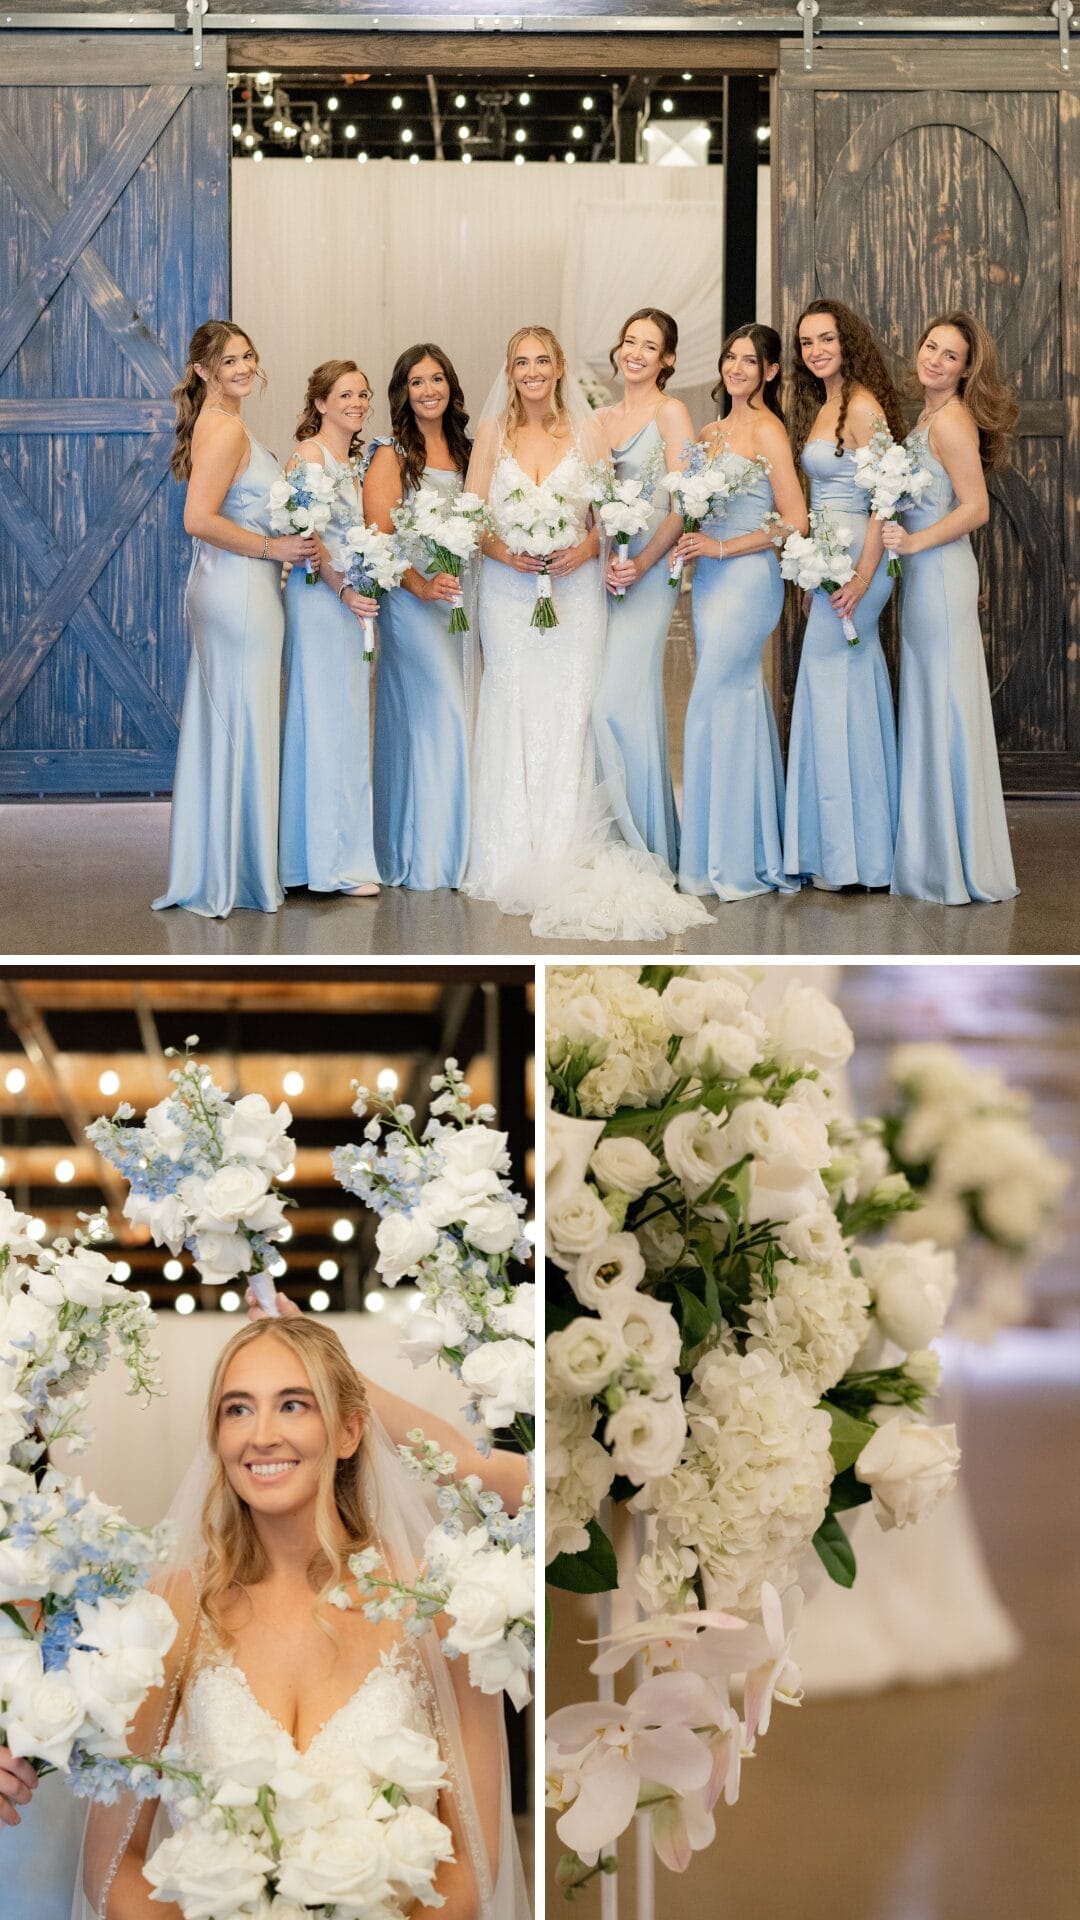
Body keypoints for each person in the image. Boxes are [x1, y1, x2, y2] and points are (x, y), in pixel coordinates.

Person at [74, 1317, 527, 1918]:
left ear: (348, 1431)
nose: (261, 1435)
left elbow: (473, 1864)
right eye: (237, 1410)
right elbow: (110, 1864)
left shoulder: (439, 1605)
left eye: (293, 1405)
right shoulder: (173, 1608)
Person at [462, 324, 707, 941]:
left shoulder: (589, 430)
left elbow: (609, 514)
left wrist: (585, 547)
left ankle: (570, 837)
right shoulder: (491, 434)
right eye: (522, 362)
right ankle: (511, 845)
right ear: (510, 370)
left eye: (543, 360)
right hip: (507, 589)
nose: (533, 371)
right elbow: (471, 517)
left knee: (574, 706)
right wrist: (506, 551)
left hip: (575, 586)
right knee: (513, 699)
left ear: (560, 366)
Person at [153, 322, 316, 919]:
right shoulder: (222, 428)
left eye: (248, 356)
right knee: (242, 722)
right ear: (204, 370)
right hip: (240, 592)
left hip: (230, 585)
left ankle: (222, 864)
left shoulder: (224, 422)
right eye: (229, 361)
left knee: (231, 721)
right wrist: (273, 549)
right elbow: (197, 518)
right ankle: (237, 875)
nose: (244, 367)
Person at [883, 310, 1018, 904]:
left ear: (966, 371)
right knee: (934, 703)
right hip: (927, 577)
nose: (934, 359)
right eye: (930, 346)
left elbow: (976, 507)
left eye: (950, 355)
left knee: (945, 705)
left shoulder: (953, 420)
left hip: (939, 575)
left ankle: (951, 865)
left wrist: (912, 540)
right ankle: (938, 855)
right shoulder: (928, 415)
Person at [676, 324, 808, 900]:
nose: (736, 368)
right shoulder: (706, 433)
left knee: (711, 698)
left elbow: (794, 520)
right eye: (730, 357)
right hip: (709, 580)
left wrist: (726, 546)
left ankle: (727, 858)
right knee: (733, 702)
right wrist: (693, 539)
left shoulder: (769, 430)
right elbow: (697, 513)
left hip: (748, 579)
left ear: (770, 372)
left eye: (749, 361)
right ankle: (736, 846)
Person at [783, 299, 903, 891]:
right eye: (806, 343)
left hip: (861, 557)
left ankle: (855, 858)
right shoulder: (823, 402)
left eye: (825, 339)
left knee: (837, 688)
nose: (816, 350)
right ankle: (845, 851)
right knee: (835, 689)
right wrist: (814, 575)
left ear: (846, 342)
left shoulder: (860, 405)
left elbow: (888, 496)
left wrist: (860, 575)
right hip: (827, 561)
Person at [363, 346, 473, 891]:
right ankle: (428, 856)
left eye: (436, 378)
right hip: (411, 604)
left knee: (460, 716)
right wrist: (422, 585)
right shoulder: (392, 454)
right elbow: (380, 540)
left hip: (459, 599)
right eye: (416, 381)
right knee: (441, 715)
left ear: (450, 385)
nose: (428, 389)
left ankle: (455, 849)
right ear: (402, 392)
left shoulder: (468, 451)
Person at [592, 308, 694, 868]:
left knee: (619, 702)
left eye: (648, 346)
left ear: (667, 359)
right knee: (600, 699)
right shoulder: (599, 419)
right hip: (603, 571)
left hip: (649, 574)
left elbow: (683, 508)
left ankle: (642, 843)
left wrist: (642, 563)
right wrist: (603, 557)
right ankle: (616, 837)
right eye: (629, 340)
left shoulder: (671, 413)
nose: (634, 352)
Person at [278, 359, 382, 898]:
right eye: (345, 395)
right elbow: (307, 539)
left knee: (341, 724)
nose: (357, 403)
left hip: (348, 599)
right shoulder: (310, 456)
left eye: (362, 395)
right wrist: (345, 588)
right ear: (320, 403)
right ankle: (332, 865)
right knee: (325, 723)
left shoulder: (356, 459)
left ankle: (314, 858)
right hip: (322, 598)